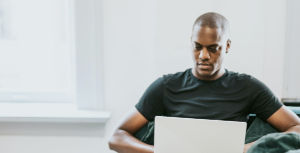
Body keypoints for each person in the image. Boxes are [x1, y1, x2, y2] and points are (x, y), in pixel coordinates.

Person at [108, 12, 300, 153]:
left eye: (213, 48)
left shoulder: (248, 87)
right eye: (197, 47)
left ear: (227, 46)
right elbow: (117, 137)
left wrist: (247, 149)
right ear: (191, 42)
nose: (203, 56)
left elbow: (296, 128)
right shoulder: (166, 86)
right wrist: (158, 152)